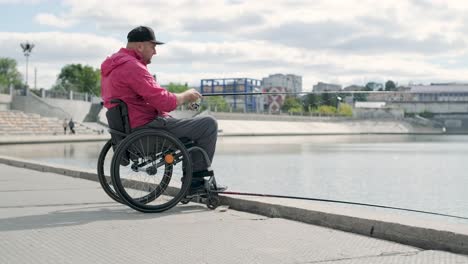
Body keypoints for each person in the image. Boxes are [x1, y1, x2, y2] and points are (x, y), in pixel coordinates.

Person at [100, 26, 221, 193]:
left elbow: (146, 99)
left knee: (190, 127)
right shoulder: (132, 67)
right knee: (208, 124)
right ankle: (196, 183)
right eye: (153, 46)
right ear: (140, 46)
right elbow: (164, 101)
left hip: (128, 134)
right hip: (147, 131)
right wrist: (186, 95)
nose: (155, 52)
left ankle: (193, 179)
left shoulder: (112, 68)